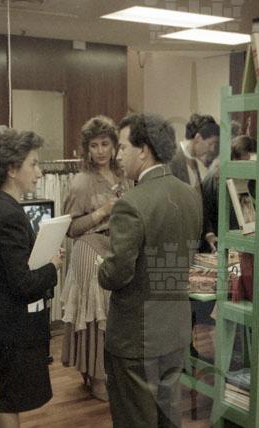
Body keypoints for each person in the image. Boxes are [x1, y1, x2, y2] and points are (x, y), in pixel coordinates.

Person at [98, 113, 202, 427]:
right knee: (168, 417)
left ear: (144, 150)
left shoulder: (131, 203)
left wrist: (102, 268)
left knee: (135, 419)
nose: (117, 155)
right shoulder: (190, 195)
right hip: (175, 330)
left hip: (136, 337)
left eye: (122, 147)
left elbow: (117, 273)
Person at [0, 130, 64, 428]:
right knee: (8, 396)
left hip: (5, 319)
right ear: (12, 169)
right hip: (14, 324)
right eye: (33, 164)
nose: (39, 173)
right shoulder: (10, 215)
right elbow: (23, 284)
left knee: (7, 393)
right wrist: (52, 266)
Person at [60, 115, 130, 401]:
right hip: (89, 247)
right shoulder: (81, 182)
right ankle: (96, 377)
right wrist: (102, 212)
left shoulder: (125, 176)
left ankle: (105, 371)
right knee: (96, 311)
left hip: (117, 247)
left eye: (105, 144)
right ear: (86, 149)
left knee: (116, 315)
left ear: (114, 145)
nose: (100, 151)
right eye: (94, 145)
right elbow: (70, 228)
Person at [168, 113, 220, 194]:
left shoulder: (194, 162)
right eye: (210, 144)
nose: (212, 149)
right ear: (198, 138)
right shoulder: (171, 161)